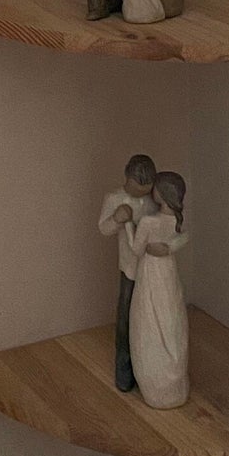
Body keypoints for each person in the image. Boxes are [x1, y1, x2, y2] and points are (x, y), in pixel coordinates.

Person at [128, 170, 190, 407]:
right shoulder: (175, 219)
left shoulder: (148, 222)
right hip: (168, 272)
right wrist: (170, 247)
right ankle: (173, 379)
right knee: (170, 316)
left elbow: (136, 249)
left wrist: (126, 225)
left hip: (151, 273)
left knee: (149, 319)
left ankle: (156, 383)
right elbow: (184, 237)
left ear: (161, 194)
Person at [97, 153, 157, 392]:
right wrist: (116, 218)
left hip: (153, 269)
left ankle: (151, 366)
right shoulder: (114, 198)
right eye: (137, 188)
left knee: (151, 316)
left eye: (146, 188)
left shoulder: (154, 198)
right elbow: (104, 229)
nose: (142, 193)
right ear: (127, 178)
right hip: (130, 268)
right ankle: (125, 366)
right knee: (125, 316)